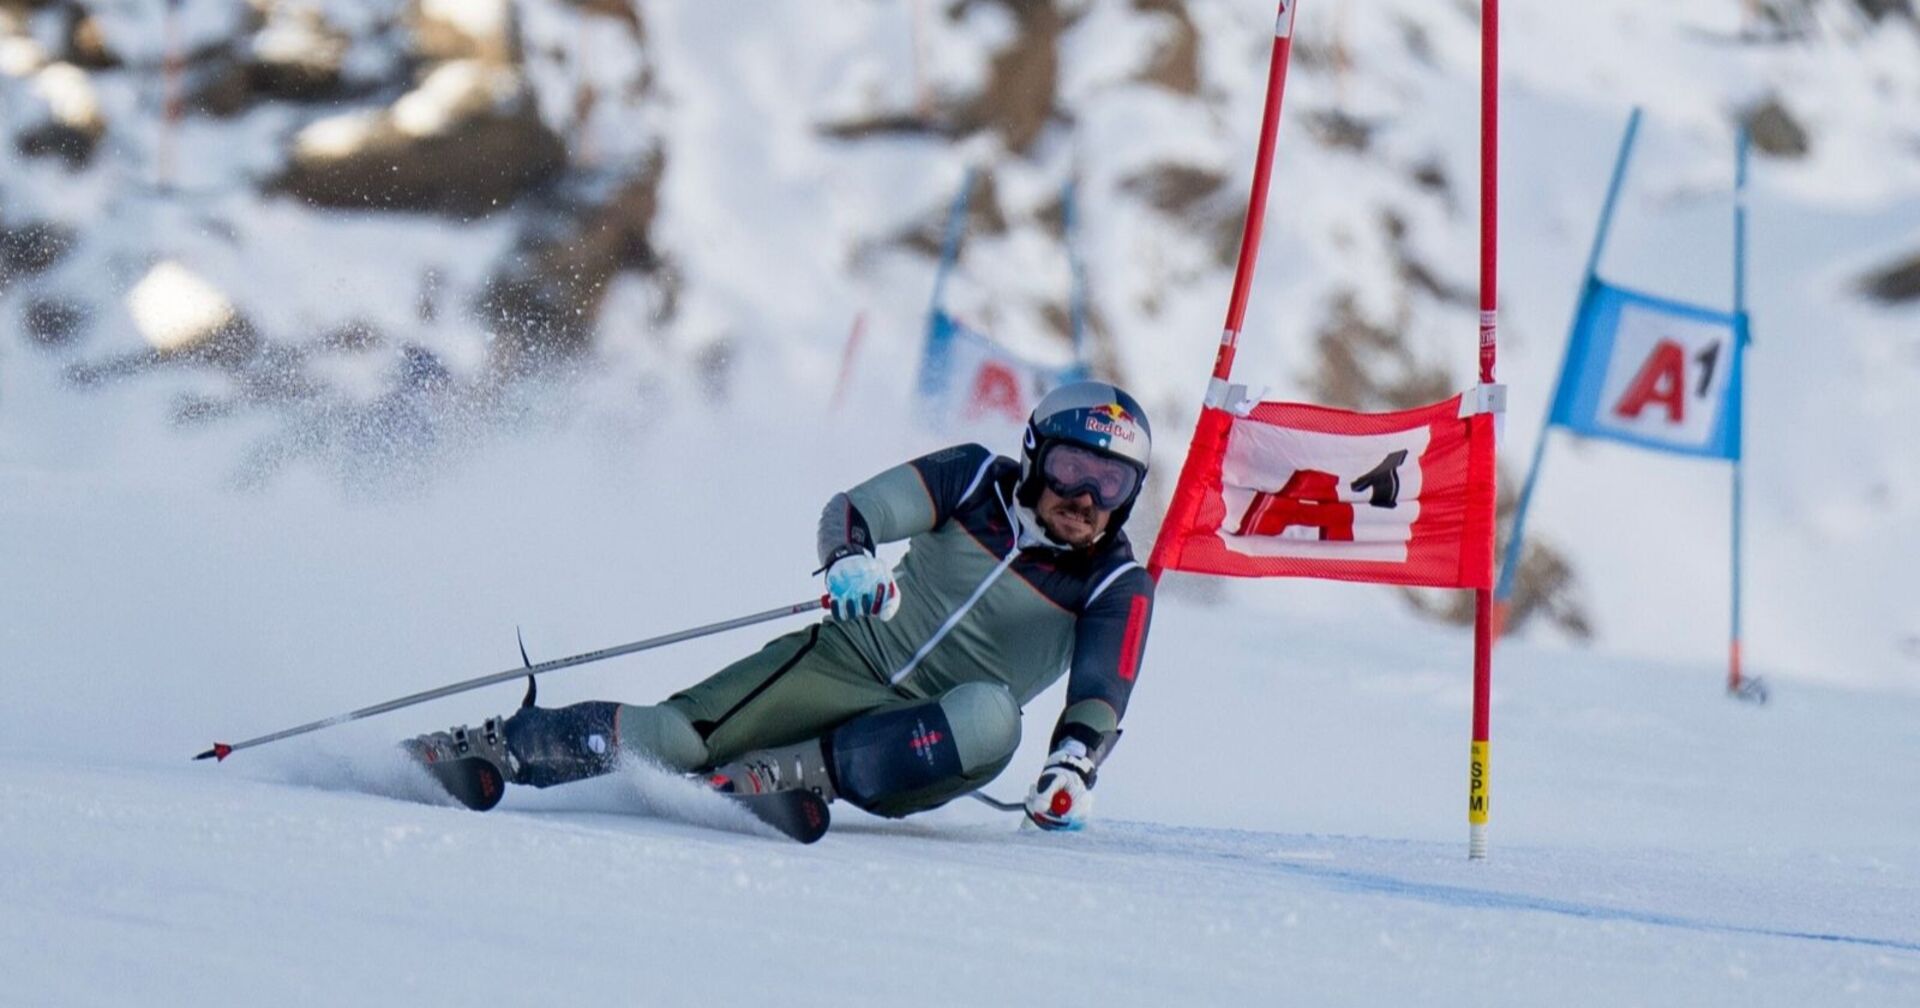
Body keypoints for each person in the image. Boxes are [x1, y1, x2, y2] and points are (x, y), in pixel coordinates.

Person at [407, 380, 1156, 831]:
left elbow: (1100, 691)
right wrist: (851, 559)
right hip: (849, 657)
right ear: (1034, 454)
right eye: (1071, 470)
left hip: (929, 740)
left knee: (996, 716)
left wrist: (1072, 767)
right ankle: (494, 747)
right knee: (676, 739)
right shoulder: (970, 479)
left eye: (1113, 485)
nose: (1087, 500)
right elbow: (856, 509)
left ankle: (792, 776)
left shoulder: (1115, 583)